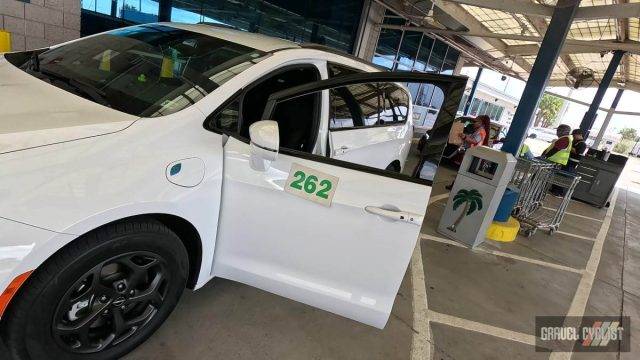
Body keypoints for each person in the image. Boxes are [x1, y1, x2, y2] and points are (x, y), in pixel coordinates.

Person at [445, 115, 490, 190]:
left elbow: (474, 141)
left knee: (462, 171)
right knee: (461, 170)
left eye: (476, 121)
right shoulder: (478, 130)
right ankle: (454, 186)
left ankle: (455, 186)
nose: (474, 123)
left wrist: (464, 137)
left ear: (481, 123)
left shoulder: (481, 131)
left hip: (471, 155)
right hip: (470, 154)